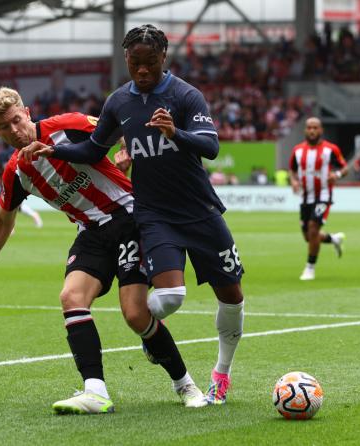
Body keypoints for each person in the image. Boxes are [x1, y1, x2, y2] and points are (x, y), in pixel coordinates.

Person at [21, 24, 245, 405]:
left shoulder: (185, 96)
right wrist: (53, 151)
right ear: (126, 59)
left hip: (200, 210)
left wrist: (176, 133)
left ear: (164, 57)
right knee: (170, 296)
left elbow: (209, 146)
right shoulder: (118, 102)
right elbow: (94, 150)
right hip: (154, 213)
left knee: (232, 295)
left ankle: (220, 374)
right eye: (135, 63)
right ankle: (152, 334)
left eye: (150, 63)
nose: (142, 71)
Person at [0, 87, 207, 415]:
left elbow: (122, 127)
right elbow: (3, 222)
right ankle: (95, 392)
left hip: (129, 217)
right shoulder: (16, 172)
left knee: (135, 315)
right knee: (71, 297)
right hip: (90, 232)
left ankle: (185, 384)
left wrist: (127, 150)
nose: (14, 130)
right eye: (4, 127)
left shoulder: (68, 125)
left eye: (17, 120)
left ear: (27, 112)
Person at [288, 117, 348, 281]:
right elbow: (292, 170)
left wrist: (336, 174)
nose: (312, 130)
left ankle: (310, 268)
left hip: (323, 196)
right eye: (309, 128)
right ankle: (333, 239)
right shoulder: (298, 151)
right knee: (309, 237)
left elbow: (345, 168)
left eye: (315, 128)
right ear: (305, 130)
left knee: (313, 228)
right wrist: (293, 181)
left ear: (321, 130)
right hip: (305, 198)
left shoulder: (331, 149)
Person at [0, 139, 43, 229]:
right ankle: (31, 216)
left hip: (17, 179)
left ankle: (10, 227)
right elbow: (0, 169)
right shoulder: (1, 155)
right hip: (6, 180)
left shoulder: (16, 151)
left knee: (10, 204)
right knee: (6, 204)